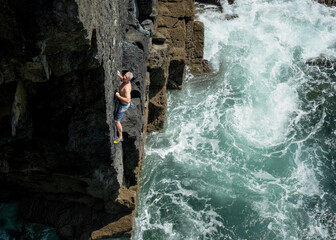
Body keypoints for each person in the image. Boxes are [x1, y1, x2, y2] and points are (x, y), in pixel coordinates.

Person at [113, 71, 133, 144]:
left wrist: (118, 96)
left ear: (129, 80)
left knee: (116, 121)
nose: (124, 77)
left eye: (126, 77)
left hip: (123, 105)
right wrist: (120, 76)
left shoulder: (127, 88)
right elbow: (124, 79)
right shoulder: (126, 81)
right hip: (124, 102)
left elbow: (127, 100)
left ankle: (120, 137)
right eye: (124, 75)